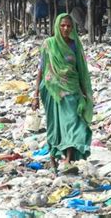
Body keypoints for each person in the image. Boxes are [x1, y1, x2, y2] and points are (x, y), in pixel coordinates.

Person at [31, 13, 93, 174]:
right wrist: (35, 95)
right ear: (57, 27)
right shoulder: (48, 44)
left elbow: (80, 70)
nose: (66, 28)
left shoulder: (75, 45)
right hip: (51, 91)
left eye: (69, 26)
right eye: (63, 25)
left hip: (71, 90)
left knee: (74, 123)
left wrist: (85, 93)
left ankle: (68, 159)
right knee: (55, 126)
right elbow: (41, 70)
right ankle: (53, 158)